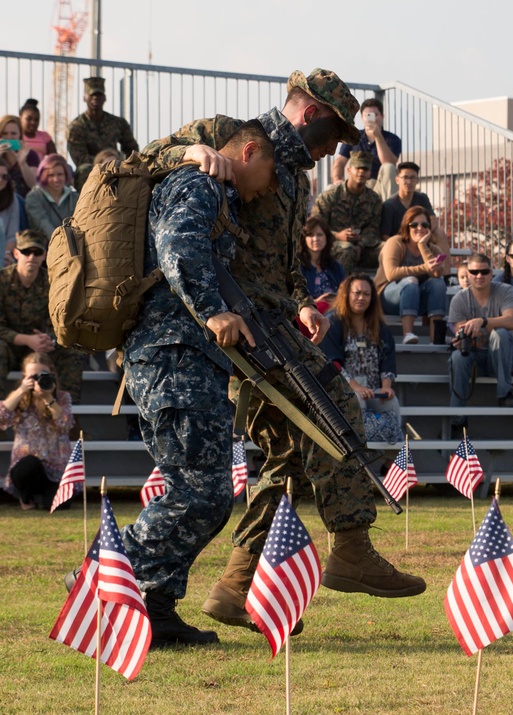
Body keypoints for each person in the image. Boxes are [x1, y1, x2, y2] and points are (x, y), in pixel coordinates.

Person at [141, 68, 425, 633]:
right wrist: (191, 151)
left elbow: (283, 262)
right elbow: (145, 164)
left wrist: (299, 301)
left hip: (271, 321)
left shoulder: (293, 178)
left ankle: (235, 588)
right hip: (234, 328)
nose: (333, 152)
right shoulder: (233, 139)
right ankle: (349, 545)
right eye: (332, 137)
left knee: (286, 456)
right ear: (309, 114)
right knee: (333, 408)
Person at [115, 119, 278, 647]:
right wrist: (211, 312)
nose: (271, 185)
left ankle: (154, 605)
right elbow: (177, 246)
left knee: (199, 488)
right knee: (201, 489)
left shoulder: (215, 191)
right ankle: (106, 575)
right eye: (271, 169)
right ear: (249, 151)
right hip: (173, 356)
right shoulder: (201, 182)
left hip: (182, 359)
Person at [0, 230, 83, 401]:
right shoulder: (2, 280)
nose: (31, 257)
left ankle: (66, 413)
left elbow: (61, 321)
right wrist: (26, 339)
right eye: (26, 252)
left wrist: (50, 340)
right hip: (9, 345)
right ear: (16, 253)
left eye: (37, 252)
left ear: (44, 255)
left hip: (42, 346)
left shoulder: (52, 283)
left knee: (71, 350)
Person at [324, 273, 402, 443]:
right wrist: (356, 387)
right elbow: (333, 363)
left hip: (375, 389)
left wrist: (386, 387)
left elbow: (388, 358)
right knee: (356, 400)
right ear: (346, 295)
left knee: (392, 402)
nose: (361, 298)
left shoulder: (379, 326)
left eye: (366, 294)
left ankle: (390, 463)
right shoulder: (333, 322)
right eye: (357, 293)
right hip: (345, 389)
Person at [0, 352, 74, 511]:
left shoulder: (62, 398)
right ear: (25, 376)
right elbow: (1, 418)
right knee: (29, 465)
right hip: (28, 466)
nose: (38, 380)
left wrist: (47, 398)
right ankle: (26, 498)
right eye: (34, 377)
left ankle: (42, 497)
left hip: (56, 467)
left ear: (52, 375)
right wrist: (21, 390)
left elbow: (65, 424)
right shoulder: (20, 398)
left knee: (60, 505)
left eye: (43, 375)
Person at [448, 252, 513, 410]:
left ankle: (505, 394)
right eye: (474, 272)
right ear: (468, 274)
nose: (479, 275)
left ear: (491, 273)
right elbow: (460, 332)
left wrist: (483, 322)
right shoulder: (459, 299)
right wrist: (461, 340)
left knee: (500, 333)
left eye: (484, 272)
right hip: (475, 358)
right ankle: (457, 417)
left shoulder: (505, 291)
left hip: (504, 357)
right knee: (457, 358)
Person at [374, 205, 448, 344]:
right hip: (389, 297)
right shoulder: (395, 242)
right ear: (406, 226)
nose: (420, 228)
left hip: (417, 298)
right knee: (411, 281)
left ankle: (436, 338)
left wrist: (422, 246)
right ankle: (408, 334)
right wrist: (424, 267)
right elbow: (391, 274)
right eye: (414, 224)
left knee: (438, 283)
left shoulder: (433, 249)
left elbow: (437, 273)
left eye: (424, 224)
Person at [312, 150, 383, 274]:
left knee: (388, 248)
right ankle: (342, 289)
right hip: (332, 245)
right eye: (358, 168)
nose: (361, 172)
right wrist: (337, 236)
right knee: (347, 249)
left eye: (365, 169)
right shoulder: (329, 197)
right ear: (349, 170)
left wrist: (361, 245)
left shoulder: (374, 200)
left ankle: (385, 288)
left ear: (369, 173)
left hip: (363, 248)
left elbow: (372, 229)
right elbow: (315, 226)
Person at [66, 77, 140, 190]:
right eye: (91, 95)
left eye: (99, 95)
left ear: (104, 98)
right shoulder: (76, 127)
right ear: (84, 98)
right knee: (83, 170)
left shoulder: (117, 122)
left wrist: (121, 161)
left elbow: (132, 148)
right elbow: (79, 158)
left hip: (116, 163)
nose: (95, 98)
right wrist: (103, 163)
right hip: (92, 168)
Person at [332, 97, 401, 200]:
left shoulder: (392, 139)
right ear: (362, 118)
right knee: (331, 189)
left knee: (389, 167)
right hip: (356, 184)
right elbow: (339, 162)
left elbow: (388, 162)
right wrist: (338, 179)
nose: (371, 118)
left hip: (380, 186)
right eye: (367, 115)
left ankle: (389, 211)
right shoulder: (354, 136)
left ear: (382, 116)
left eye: (375, 115)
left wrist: (378, 136)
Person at [379, 161, 451, 259]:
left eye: (412, 178)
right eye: (405, 177)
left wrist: (421, 235)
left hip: (422, 237)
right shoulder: (389, 205)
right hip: (401, 242)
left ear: (417, 180)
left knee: (439, 234)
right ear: (397, 180)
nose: (409, 182)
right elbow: (385, 236)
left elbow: (433, 221)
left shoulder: (422, 198)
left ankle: (445, 273)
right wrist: (410, 239)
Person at [25, 155, 78, 239]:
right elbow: (43, 224)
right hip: (45, 246)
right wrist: (60, 241)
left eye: (60, 174)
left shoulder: (74, 197)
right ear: (43, 176)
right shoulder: (34, 197)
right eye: (51, 175)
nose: (56, 179)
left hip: (71, 244)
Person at [297, 216, 345, 306]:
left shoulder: (336, 266)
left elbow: (345, 294)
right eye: (311, 235)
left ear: (326, 237)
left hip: (334, 312)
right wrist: (316, 302)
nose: (316, 239)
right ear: (304, 239)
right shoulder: (297, 266)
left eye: (320, 234)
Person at [0, 114, 40, 197]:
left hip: (24, 202)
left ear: (20, 136)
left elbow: (34, 185)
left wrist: (22, 163)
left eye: (13, 133)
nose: (9, 137)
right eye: (5, 133)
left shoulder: (30, 155)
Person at [0, 161, 19, 264]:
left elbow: (12, 234)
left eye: (4, 177)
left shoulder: (12, 199)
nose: (1, 180)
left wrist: (6, 253)